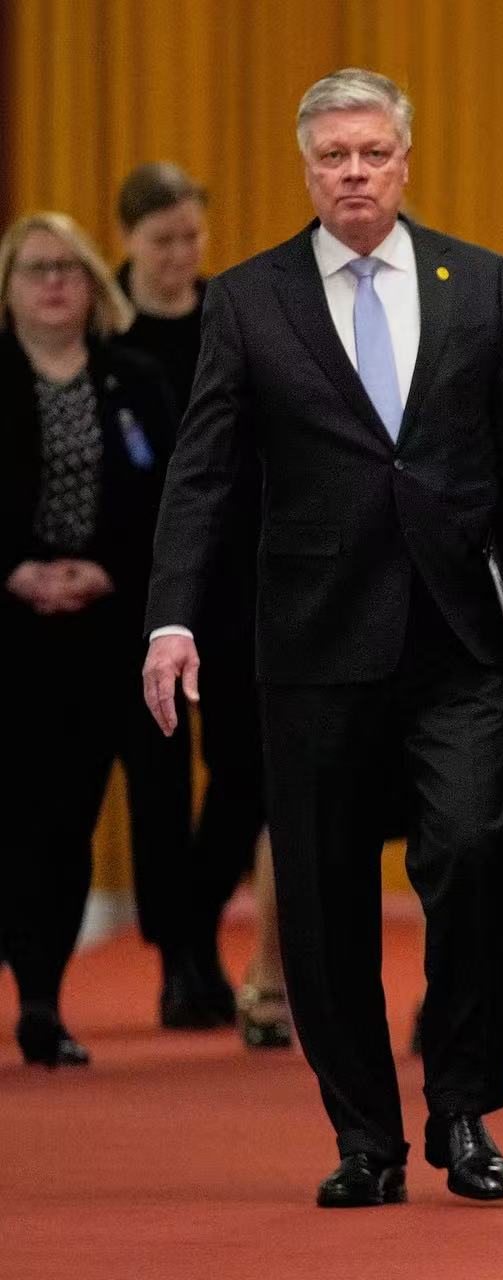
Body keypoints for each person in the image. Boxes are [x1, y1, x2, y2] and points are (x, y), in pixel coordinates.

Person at [141, 68, 503, 1208]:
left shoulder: (478, 284)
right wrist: (174, 613)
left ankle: (465, 1107)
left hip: (459, 638)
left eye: (372, 152)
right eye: (332, 154)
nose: (352, 170)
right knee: (326, 896)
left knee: (476, 855)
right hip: (313, 642)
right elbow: (202, 473)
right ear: (306, 166)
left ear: (404, 160)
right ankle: (365, 1135)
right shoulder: (249, 299)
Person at [115, 161, 291, 1049]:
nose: (182, 255)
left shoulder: (231, 310)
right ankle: (180, 958)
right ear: (128, 241)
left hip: (233, 581)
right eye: (163, 240)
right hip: (129, 589)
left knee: (244, 772)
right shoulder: (107, 323)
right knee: (153, 780)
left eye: (192, 236)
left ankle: (190, 929)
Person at [0, 211, 176, 1068]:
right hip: (8, 624)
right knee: (14, 817)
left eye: (69, 268)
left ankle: (41, 997)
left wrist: (103, 569)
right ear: (9, 287)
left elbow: (171, 500)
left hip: (104, 627)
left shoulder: (132, 380)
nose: (54, 283)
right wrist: (16, 571)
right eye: (35, 269)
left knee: (66, 820)